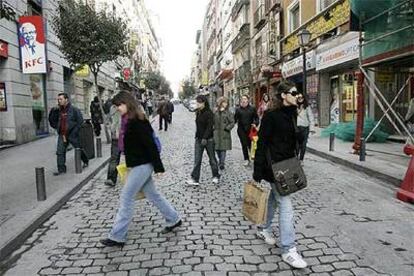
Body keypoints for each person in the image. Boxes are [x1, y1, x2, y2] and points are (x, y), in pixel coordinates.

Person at [101, 91, 182, 247]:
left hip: (143, 164)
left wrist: (159, 167)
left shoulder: (138, 120)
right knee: (153, 194)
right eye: (116, 106)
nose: (118, 108)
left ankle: (117, 236)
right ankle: (174, 219)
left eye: (119, 105)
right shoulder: (127, 120)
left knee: (126, 197)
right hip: (137, 163)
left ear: (127, 103)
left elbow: (150, 145)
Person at [253, 80, 307, 269]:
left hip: (288, 165)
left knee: (275, 200)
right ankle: (288, 249)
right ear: (283, 95)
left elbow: (292, 140)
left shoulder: (292, 113)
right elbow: (262, 143)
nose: (297, 95)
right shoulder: (271, 116)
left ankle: (264, 228)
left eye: (297, 93)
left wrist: (299, 133)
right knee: (286, 203)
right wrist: (257, 170)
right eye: (293, 92)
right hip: (275, 168)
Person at [186, 95, 220, 186]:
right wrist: (198, 137)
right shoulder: (198, 112)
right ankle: (195, 178)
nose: (197, 103)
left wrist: (205, 138)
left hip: (208, 140)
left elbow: (209, 127)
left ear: (204, 102)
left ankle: (216, 176)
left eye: (199, 102)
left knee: (212, 159)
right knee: (197, 160)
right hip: (198, 139)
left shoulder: (209, 113)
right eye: (197, 101)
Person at [52, 93, 89, 176]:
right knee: (60, 152)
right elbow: (52, 119)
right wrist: (54, 111)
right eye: (58, 99)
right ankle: (61, 169)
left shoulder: (74, 109)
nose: (59, 101)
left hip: (72, 134)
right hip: (62, 134)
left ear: (66, 100)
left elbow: (80, 121)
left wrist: (75, 131)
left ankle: (85, 161)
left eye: (61, 99)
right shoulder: (58, 110)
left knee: (78, 149)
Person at [234, 95, 259, 166]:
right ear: (240, 101)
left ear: (248, 100)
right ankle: (246, 159)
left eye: (245, 99)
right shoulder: (238, 109)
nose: (244, 100)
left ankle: (253, 156)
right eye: (242, 99)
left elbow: (257, 118)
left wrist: (255, 124)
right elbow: (234, 120)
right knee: (244, 144)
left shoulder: (252, 108)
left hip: (250, 129)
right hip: (241, 130)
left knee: (251, 144)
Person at [213, 97, 235, 171]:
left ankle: (222, 163)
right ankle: (220, 160)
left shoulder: (228, 112)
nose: (225, 104)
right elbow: (211, 120)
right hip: (216, 133)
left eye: (226, 103)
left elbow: (232, 122)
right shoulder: (215, 111)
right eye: (224, 102)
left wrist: (227, 128)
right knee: (217, 149)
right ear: (220, 103)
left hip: (224, 133)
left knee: (223, 149)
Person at [104, 104, 122, 187]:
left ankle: (111, 178)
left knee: (114, 158)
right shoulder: (131, 105)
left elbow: (107, 120)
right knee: (114, 158)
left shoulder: (113, 107)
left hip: (119, 136)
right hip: (119, 136)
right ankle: (111, 178)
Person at [296, 93, 314, 162]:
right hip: (297, 128)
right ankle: (296, 158)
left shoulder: (307, 107)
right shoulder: (294, 107)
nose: (300, 99)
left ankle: (301, 159)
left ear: (304, 98)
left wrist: (312, 129)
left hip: (305, 128)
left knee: (303, 145)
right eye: (299, 98)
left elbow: (311, 117)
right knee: (297, 146)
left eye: (301, 98)